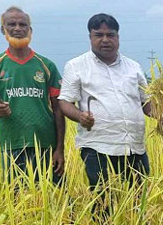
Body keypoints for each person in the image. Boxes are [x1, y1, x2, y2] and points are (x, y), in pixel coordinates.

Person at [59, 13, 153, 190]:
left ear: (118, 37)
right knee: (103, 201)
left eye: (110, 35)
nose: (105, 40)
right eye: (98, 35)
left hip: (133, 146)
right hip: (97, 146)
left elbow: (146, 103)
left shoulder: (134, 67)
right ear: (90, 37)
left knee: (140, 198)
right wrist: (80, 116)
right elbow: (64, 102)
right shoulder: (76, 65)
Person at [0, 6, 65, 184]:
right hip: (12, 144)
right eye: (11, 24)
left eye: (22, 24)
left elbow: (58, 109)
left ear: (30, 30)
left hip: (45, 143)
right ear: (3, 29)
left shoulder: (46, 65)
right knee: (17, 199)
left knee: (55, 198)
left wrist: (59, 149)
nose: (17, 28)